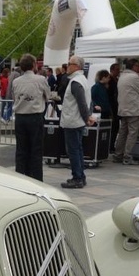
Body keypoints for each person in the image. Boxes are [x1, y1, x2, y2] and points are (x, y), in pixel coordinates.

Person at [10, 53, 51, 181]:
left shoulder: (16, 81)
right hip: (35, 116)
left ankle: (21, 177)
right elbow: (48, 95)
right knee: (36, 150)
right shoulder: (40, 80)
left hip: (20, 117)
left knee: (21, 150)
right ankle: (37, 179)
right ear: (34, 65)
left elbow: (14, 97)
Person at [60, 55, 96, 189]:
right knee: (78, 149)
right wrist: (87, 117)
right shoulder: (82, 80)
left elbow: (81, 102)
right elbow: (87, 101)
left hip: (73, 121)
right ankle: (80, 176)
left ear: (77, 67)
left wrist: (87, 117)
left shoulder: (76, 82)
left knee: (73, 150)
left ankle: (77, 178)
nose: (67, 65)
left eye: (70, 63)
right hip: (77, 120)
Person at [112, 58, 139, 165]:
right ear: (134, 66)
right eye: (138, 66)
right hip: (134, 109)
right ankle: (127, 156)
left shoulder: (122, 76)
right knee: (132, 134)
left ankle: (118, 154)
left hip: (123, 109)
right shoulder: (134, 77)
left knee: (122, 133)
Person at [108, 62, 121, 151]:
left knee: (116, 127)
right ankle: (110, 146)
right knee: (113, 127)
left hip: (117, 106)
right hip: (112, 106)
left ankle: (112, 145)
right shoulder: (110, 80)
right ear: (112, 70)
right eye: (117, 70)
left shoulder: (117, 80)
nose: (118, 71)